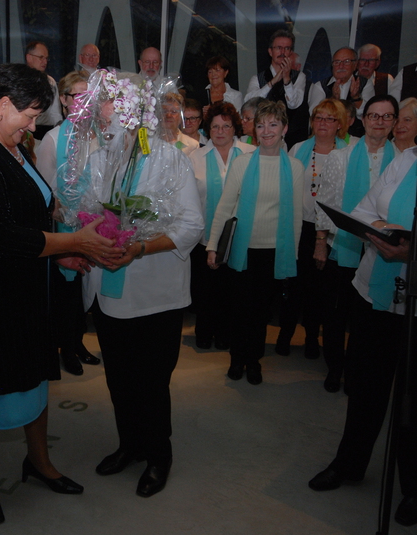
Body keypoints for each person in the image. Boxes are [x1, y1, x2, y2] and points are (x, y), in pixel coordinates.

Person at [0, 63, 121, 524]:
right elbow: (0, 234)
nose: (33, 125)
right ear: (3, 105)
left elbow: (32, 218)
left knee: (33, 378)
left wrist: (59, 255)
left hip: (25, 285)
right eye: (30, 115)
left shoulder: (13, 147)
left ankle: (39, 461)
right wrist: (75, 241)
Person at [308, 69, 417, 527]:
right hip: (375, 293)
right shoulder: (410, 160)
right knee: (365, 389)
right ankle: (349, 463)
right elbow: (365, 209)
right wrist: (382, 234)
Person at [82, 76, 203, 499]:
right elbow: (88, 212)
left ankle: (158, 455)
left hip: (154, 295)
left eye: (110, 121)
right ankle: (129, 445)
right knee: (118, 379)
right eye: (100, 121)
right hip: (108, 291)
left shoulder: (170, 160)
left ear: (134, 117)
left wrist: (142, 247)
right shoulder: (99, 161)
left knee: (151, 382)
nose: (104, 129)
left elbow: (192, 225)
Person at [206, 100, 303, 385]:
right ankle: (237, 359)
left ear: (284, 128)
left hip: (274, 252)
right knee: (240, 310)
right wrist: (212, 246)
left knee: (261, 313)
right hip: (242, 249)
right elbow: (225, 207)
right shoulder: (243, 163)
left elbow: (296, 216)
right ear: (254, 130)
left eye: (273, 124)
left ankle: (254, 361)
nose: (266, 130)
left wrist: (293, 255)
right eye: (260, 125)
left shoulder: (295, 167)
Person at [312, 94, 399, 390]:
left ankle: (357, 371)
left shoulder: (402, 161)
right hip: (344, 247)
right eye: (374, 115)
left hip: (383, 250)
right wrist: (320, 242)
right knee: (337, 314)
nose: (379, 122)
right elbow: (326, 203)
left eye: (387, 116)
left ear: (394, 122)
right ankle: (335, 368)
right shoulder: (342, 156)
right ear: (363, 119)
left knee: (369, 317)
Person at [36, 70, 102, 375]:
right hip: (65, 230)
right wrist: (67, 214)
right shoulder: (52, 139)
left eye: (89, 96)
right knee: (67, 295)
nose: (85, 102)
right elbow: (43, 194)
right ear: (63, 100)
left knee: (87, 292)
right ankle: (67, 348)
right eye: (78, 95)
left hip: (96, 227)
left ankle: (78, 341)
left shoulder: (100, 135)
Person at [276, 98, 349, 359]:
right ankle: (285, 335)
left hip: (331, 233)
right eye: (319, 117)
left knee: (320, 291)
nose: (323, 123)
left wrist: (324, 237)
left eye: (330, 118)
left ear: (340, 124)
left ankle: (311, 338)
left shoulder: (348, 154)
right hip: (300, 228)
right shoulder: (299, 149)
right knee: (294, 286)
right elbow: (285, 187)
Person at [188, 102, 255, 350]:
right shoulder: (195, 157)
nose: (220, 131)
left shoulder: (251, 154)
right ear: (208, 129)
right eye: (215, 126)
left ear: (235, 128)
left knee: (234, 290)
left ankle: (227, 333)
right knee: (206, 289)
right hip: (205, 236)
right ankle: (204, 332)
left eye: (226, 126)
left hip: (241, 236)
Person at [244, 29, 306, 146]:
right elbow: (249, 102)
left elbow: (294, 104)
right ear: (270, 51)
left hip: (292, 139)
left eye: (287, 48)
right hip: (264, 137)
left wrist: (287, 79)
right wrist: (272, 83)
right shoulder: (257, 78)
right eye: (278, 48)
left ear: (290, 52)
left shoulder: (299, 77)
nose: (282, 52)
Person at [308, 47, 373, 120]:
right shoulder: (320, 86)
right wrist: (333, 100)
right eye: (337, 62)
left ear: (355, 65)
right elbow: (314, 115)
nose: (341, 66)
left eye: (346, 61)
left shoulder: (365, 84)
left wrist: (356, 98)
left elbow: (368, 115)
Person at [25, 41, 62, 137]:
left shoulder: (50, 82)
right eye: (41, 58)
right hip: (25, 129)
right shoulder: (20, 81)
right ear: (29, 58)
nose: (45, 62)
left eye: (46, 58)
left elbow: (55, 113)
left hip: (46, 130)